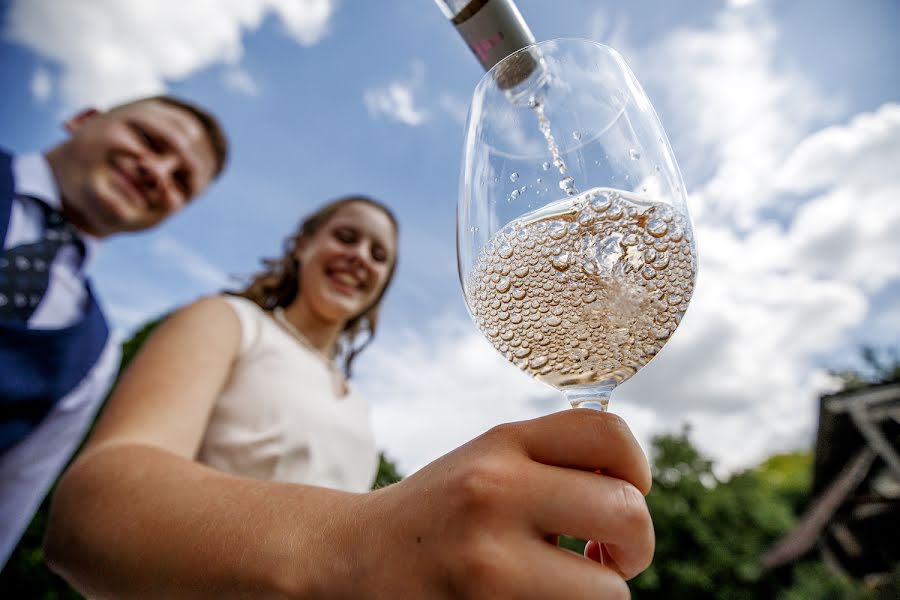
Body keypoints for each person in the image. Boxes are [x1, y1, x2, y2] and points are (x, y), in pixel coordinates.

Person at [44, 196, 655, 599]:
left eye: (379, 254)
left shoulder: (355, 403)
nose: (359, 257)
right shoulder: (227, 322)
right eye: (345, 236)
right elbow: (92, 510)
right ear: (303, 243)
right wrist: (363, 542)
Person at [0, 95, 228, 568]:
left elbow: (13, 493)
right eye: (149, 140)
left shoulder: (95, 353)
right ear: (83, 118)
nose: (158, 172)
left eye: (181, 181)